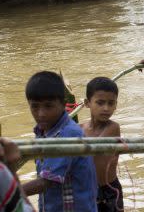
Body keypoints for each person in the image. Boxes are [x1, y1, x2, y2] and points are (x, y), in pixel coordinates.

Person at [22, 71, 97, 212]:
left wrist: (9, 191)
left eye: (48, 106)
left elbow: (46, 182)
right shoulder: (42, 131)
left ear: (63, 104)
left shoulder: (69, 133)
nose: (41, 113)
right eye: (35, 106)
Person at [81, 77, 123, 212]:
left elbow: (93, 148)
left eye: (111, 103)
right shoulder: (79, 128)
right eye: (100, 103)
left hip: (109, 189)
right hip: (86, 189)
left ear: (116, 104)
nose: (106, 108)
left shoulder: (113, 127)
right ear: (87, 103)